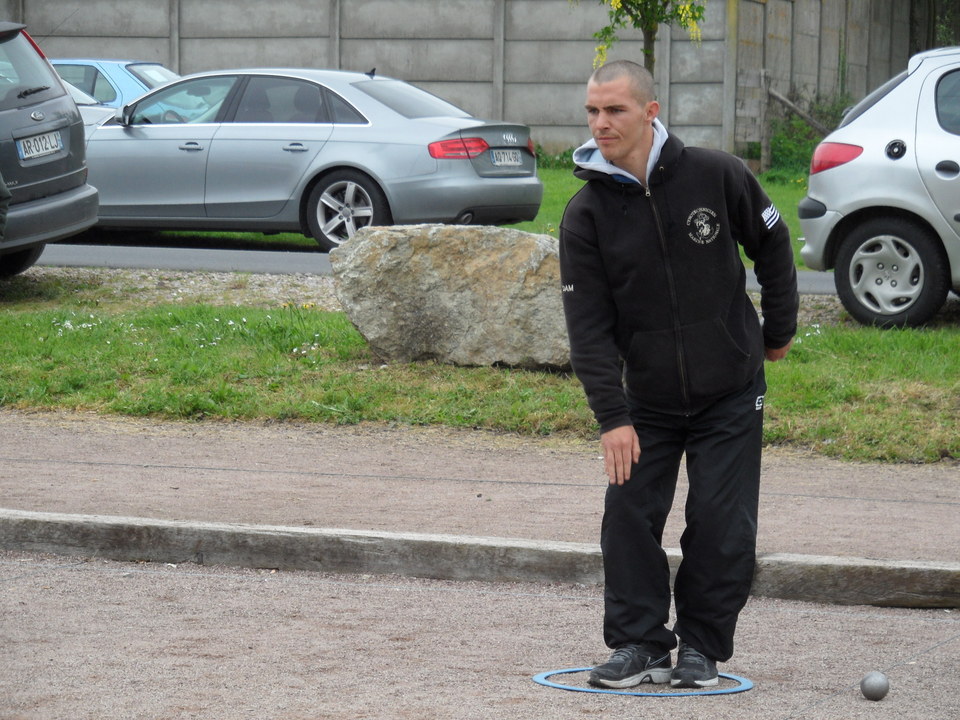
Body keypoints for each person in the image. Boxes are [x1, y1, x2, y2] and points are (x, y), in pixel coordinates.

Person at [559, 60, 798, 689]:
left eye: (615, 110)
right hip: (648, 399)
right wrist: (612, 417)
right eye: (592, 111)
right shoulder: (585, 213)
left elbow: (773, 244)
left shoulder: (717, 174)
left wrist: (778, 333)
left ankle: (700, 647)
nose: (600, 122)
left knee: (721, 523)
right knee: (627, 516)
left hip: (730, 390)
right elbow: (587, 327)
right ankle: (639, 643)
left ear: (650, 112)